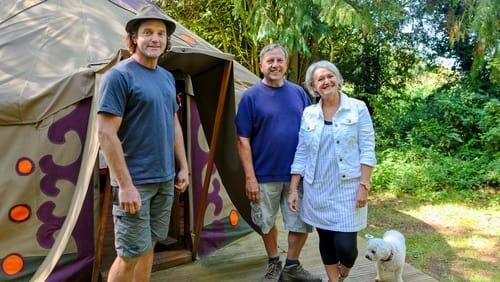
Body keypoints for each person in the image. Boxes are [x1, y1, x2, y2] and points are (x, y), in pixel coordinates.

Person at [97, 5, 189, 282]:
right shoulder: (119, 76)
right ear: (134, 38)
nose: (155, 39)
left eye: (160, 33)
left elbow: (173, 123)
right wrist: (124, 185)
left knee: (148, 245)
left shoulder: (166, 77)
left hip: (164, 179)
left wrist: (182, 166)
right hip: (135, 181)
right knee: (128, 254)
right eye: (147, 32)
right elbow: (106, 134)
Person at [235, 44, 321, 282]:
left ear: (285, 64)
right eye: (270, 61)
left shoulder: (299, 94)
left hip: (298, 175)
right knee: (265, 221)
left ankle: (292, 266)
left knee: (300, 222)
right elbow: (242, 140)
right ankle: (274, 262)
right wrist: (250, 178)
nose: (275, 65)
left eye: (279, 61)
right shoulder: (250, 97)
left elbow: (313, 131)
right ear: (261, 65)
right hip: (263, 174)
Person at [288, 60, 376, 282]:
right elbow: (301, 152)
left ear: (337, 79)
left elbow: (367, 149)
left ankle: (341, 275)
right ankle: (333, 280)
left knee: (347, 249)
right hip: (316, 188)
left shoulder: (357, 108)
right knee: (326, 241)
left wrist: (364, 186)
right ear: (313, 87)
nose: (326, 81)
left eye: (330, 76)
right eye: (320, 79)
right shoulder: (308, 113)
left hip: (348, 189)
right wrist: (292, 189)